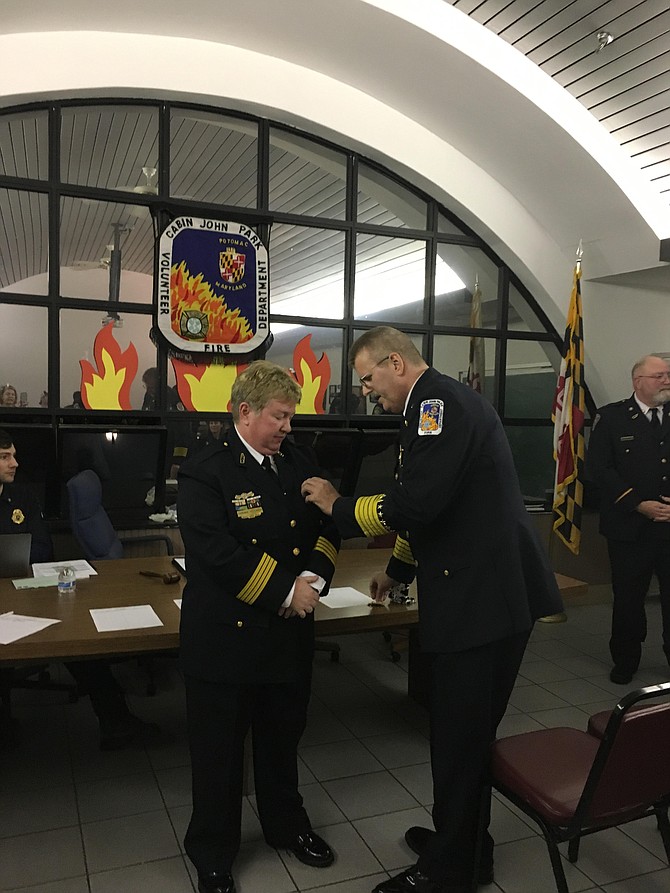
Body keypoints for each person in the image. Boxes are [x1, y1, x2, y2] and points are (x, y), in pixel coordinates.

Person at [301, 327, 563, 893]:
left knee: (458, 741)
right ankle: (467, 848)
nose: (367, 391)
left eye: (369, 378)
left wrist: (338, 506)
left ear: (396, 362)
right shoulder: (433, 405)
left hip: (482, 605)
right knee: (463, 737)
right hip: (487, 594)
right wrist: (396, 571)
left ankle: (448, 870)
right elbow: (432, 510)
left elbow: (415, 503)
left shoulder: (436, 407)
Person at [177, 361, 341, 893]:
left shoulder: (298, 461)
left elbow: (324, 525)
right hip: (226, 638)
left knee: (281, 741)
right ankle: (213, 850)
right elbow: (215, 554)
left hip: (287, 638)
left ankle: (285, 826)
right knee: (220, 754)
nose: (288, 427)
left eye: (290, 416)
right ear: (244, 412)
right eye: (279, 416)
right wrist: (284, 590)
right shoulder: (205, 471)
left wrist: (314, 577)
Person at [0, 429, 159, 750]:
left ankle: (116, 722)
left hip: (31, 587)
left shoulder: (21, 495)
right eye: (5, 457)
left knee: (82, 643)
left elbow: (42, 545)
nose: (14, 463)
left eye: (14, 455)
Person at [586, 354, 670, 685]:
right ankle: (625, 660)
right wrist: (638, 504)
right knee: (628, 601)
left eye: (668, 375)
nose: (666, 380)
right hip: (629, 529)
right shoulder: (612, 418)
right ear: (638, 382)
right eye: (659, 375)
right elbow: (599, 470)